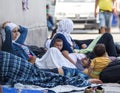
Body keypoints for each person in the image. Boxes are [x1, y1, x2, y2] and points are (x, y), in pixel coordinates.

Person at [0, 51, 102, 88]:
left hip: (26, 68)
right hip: (26, 69)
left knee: (54, 78)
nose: (16, 33)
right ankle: (85, 81)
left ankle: (85, 81)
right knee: (54, 77)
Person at [50, 18, 118, 65]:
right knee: (107, 36)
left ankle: (115, 55)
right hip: (86, 55)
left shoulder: (65, 35)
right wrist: (77, 47)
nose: (72, 28)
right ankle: (114, 57)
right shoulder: (60, 36)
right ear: (66, 26)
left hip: (82, 51)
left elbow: (74, 41)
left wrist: (81, 43)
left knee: (109, 43)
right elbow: (69, 50)